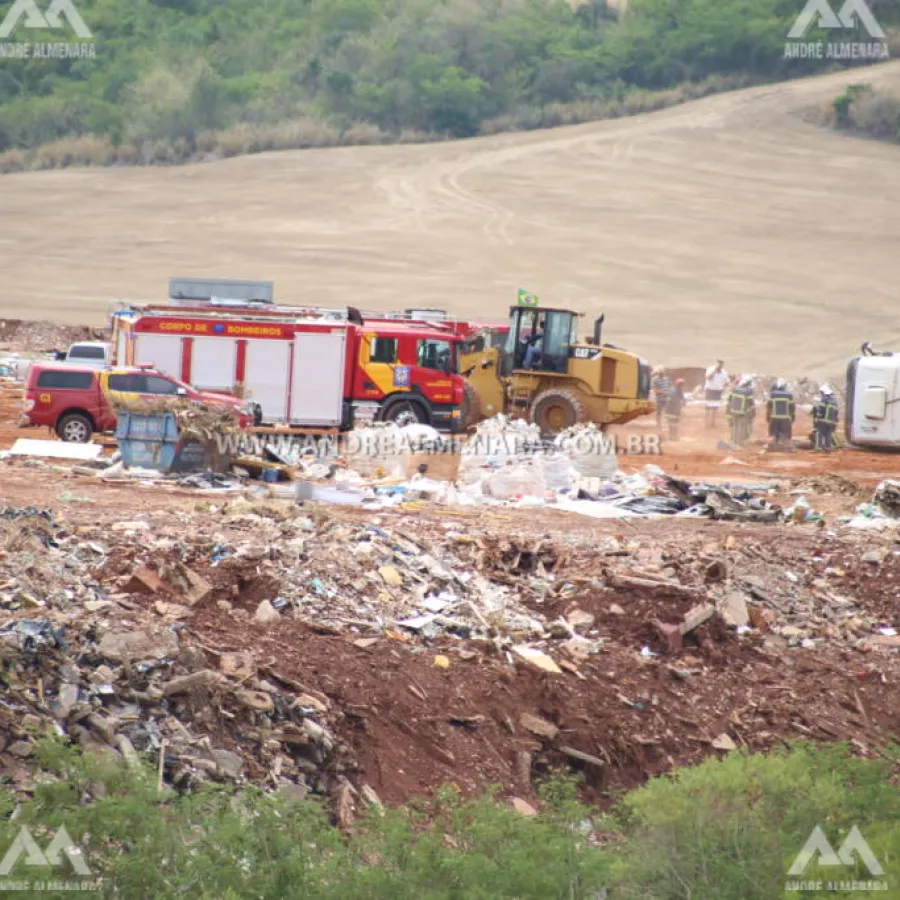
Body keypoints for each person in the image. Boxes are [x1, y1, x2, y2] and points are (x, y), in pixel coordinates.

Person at [766, 379, 796, 451]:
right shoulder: (789, 395)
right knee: (786, 434)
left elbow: (769, 406)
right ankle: (787, 448)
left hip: (774, 418)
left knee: (773, 433)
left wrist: (768, 416)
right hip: (785, 418)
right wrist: (792, 417)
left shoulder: (773, 394)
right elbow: (792, 408)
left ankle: (770, 447)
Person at [726, 375, 755, 447]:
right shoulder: (748, 391)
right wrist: (751, 412)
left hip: (733, 410)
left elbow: (729, 400)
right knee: (741, 427)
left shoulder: (735, 389)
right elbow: (751, 403)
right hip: (743, 412)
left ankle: (733, 441)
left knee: (734, 426)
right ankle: (739, 443)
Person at [811, 385, 840, 451]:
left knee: (819, 433)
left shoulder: (824, 399)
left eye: (821, 392)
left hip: (823, 420)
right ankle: (828, 448)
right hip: (832, 422)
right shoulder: (834, 401)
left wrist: (818, 417)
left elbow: (821, 409)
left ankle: (818, 448)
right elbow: (836, 412)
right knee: (828, 434)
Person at [704, 360, 729, 428]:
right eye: (718, 365)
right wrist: (715, 370)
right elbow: (708, 378)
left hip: (718, 391)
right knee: (708, 408)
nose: (719, 366)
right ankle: (706, 423)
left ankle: (712, 423)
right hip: (710, 390)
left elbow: (727, 382)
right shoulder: (710, 369)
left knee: (715, 408)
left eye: (721, 365)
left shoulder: (724, 372)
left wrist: (723, 387)